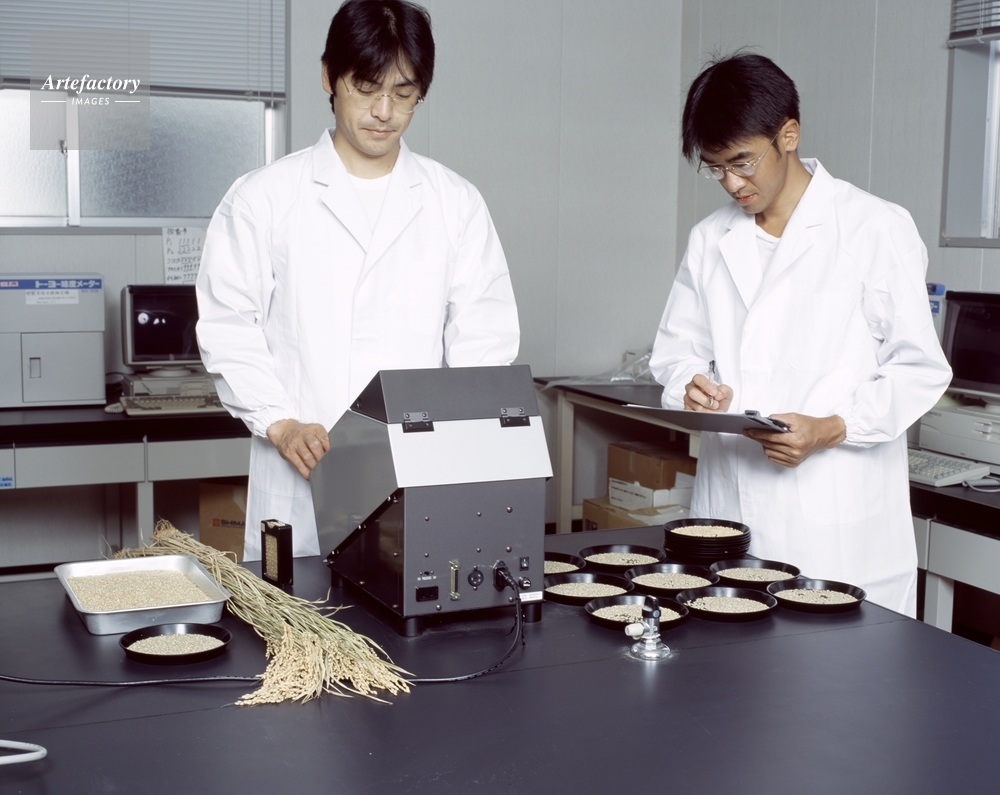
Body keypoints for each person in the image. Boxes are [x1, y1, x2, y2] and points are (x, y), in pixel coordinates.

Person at [196, 0, 519, 561]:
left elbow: (485, 344)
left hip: (417, 472)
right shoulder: (263, 197)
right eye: (366, 88)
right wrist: (280, 424)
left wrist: (460, 442)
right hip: (299, 470)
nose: (384, 111)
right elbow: (229, 327)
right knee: (298, 611)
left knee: (415, 606)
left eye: (403, 93)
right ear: (329, 76)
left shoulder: (455, 203)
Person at [649, 53, 951, 616]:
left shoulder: (873, 227)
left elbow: (919, 368)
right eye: (715, 168)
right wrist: (689, 384)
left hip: (834, 515)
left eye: (742, 162)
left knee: (834, 661)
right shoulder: (710, 238)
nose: (731, 183)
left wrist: (832, 428)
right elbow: (676, 351)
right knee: (728, 651)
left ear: (788, 135)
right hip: (731, 506)